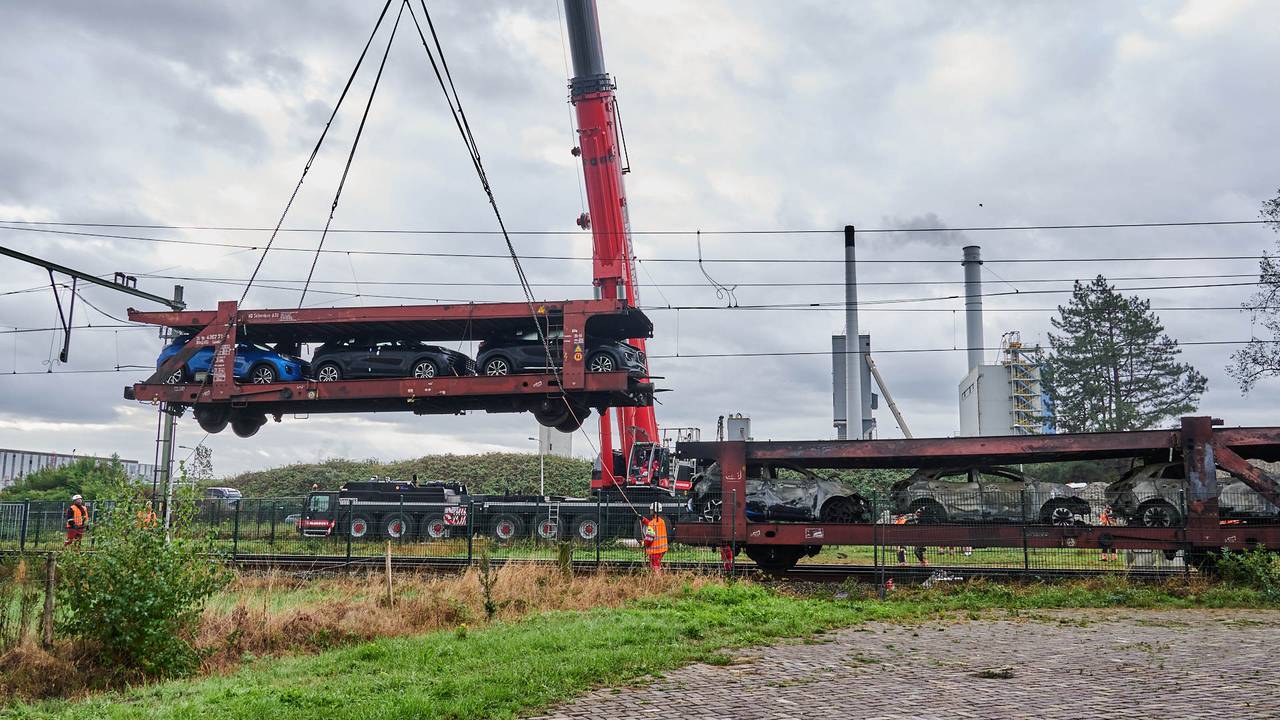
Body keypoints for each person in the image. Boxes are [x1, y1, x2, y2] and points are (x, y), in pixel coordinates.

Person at [641, 502, 668, 573]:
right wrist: (643, 519)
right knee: (657, 564)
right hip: (662, 549)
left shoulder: (652, 524)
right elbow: (653, 525)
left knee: (655, 566)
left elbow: (649, 539)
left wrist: (643, 543)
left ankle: (657, 581)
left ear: (653, 511)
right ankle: (656, 580)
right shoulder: (662, 521)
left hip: (655, 550)